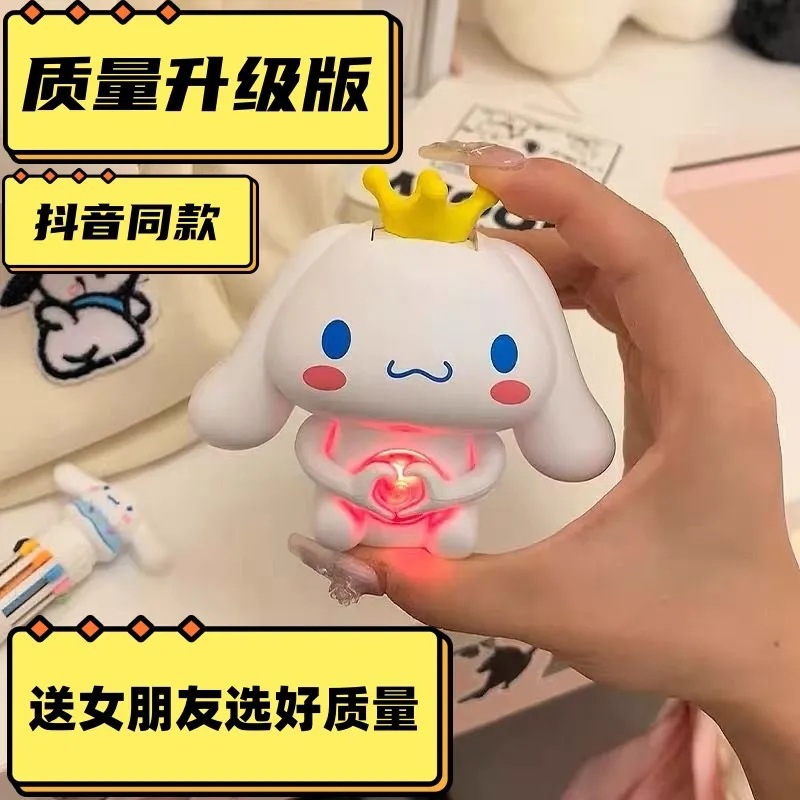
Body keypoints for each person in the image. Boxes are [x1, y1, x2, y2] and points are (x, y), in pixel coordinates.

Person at [290, 157, 800, 800]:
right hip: (358, 498)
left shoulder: (468, 435)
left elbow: (481, 467)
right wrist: (350, 482)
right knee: (336, 517)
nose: (417, 372)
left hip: (437, 507)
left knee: (451, 531)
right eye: (338, 341)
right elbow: (314, 448)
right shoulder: (343, 422)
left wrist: (443, 492)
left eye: (500, 355)